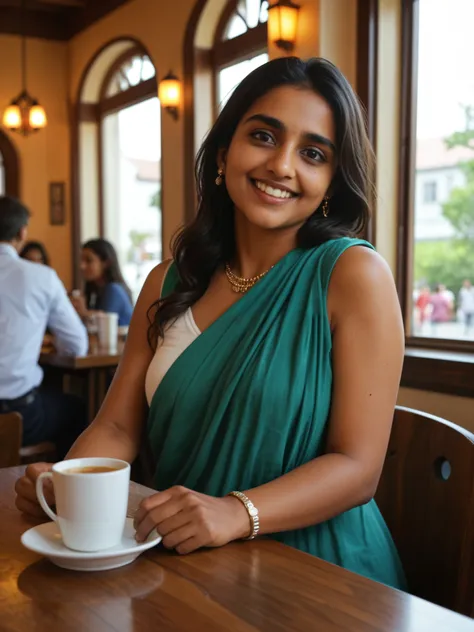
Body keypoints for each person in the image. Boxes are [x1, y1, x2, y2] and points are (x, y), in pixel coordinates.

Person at [15, 57, 406, 589]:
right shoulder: (168, 281)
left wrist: (235, 512)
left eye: (312, 153)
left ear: (332, 182)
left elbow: (358, 467)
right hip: (184, 559)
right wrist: (69, 484)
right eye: (264, 136)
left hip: (321, 572)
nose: (282, 165)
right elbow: (117, 426)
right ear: (224, 153)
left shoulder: (353, 274)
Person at [0, 196, 88, 457]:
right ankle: (54, 490)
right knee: (77, 409)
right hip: (17, 413)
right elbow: (76, 345)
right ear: (22, 232)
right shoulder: (41, 277)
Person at [71, 238, 133, 327]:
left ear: (106, 263)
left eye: (89, 260)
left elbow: (104, 325)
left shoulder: (113, 289)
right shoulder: (95, 291)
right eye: (81, 260)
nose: (82, 266)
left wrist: (83, 312)